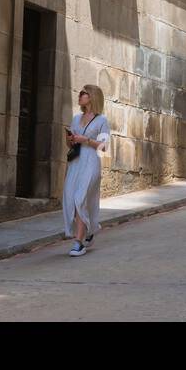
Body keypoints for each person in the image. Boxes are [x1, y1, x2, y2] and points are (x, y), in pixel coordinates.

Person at [63, 84, 111, 256]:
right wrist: (70, 139)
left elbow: (104, 146)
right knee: (70, 198)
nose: (80, 95)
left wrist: (86, 140)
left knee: (79, 198)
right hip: (75, 163)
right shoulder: (76, 119)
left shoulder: (102, 121)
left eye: (83, 93)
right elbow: (70, 144)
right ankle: (90, 229)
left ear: (91, 97)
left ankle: (78, 243)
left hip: (91, 163)